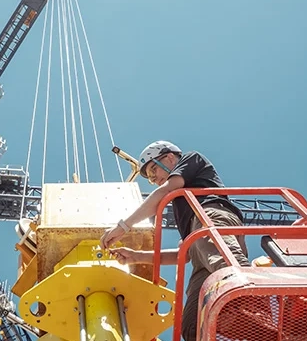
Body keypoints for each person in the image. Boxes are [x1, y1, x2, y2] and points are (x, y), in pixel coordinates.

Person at [99, 141, 250, 341]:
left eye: (154, 170)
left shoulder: (191, 159)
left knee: (227, 268)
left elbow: (164, 191)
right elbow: (184, 255)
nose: (155, 179)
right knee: (192, 324)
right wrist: (135, 257)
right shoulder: (184, 210)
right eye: (151, 178)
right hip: (199, 245)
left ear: (170, 157)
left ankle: (255, 299)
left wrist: (123, 227)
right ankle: (249, 324)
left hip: (211, 216)